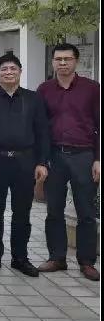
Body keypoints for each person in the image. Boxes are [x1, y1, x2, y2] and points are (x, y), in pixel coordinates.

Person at [0, 53, 49, 277]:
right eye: (4, 69)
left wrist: (42, 162)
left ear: (20, 72)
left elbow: (43, 133)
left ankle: (20, 257)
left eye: (13, 68)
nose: (8, 72)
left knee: (22, 212)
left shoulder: (33, 99)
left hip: (25, 162)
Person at [37, 43, 100, 282]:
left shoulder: (92, 89)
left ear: (76, 61)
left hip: (84, 156)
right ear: (53, 62)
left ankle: (87, 262)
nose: (62, 63)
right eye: (58, 59)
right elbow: (39, 128)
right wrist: (41, 161)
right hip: (54, 156)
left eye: (67, 59)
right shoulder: (44, 90)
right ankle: (57, 257)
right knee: (54, 209)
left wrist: (98, 159)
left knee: (86, 211)